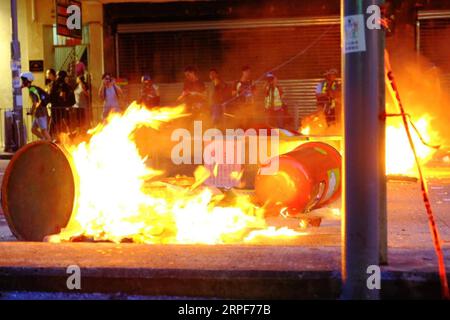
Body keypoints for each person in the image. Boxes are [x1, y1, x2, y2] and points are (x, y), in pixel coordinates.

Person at [20, 72, 51, 141]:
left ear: (27, 80)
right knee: (33, 129)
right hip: (38, 113)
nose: (22, 82)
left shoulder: (32, 90)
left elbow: (35, 103)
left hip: (40, 113)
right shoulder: (33, 88)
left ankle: (50, 145)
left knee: (44, 131)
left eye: (23, 80)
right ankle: (43, 140)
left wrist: (31, 111)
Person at [49, 70, 76, 138]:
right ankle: (68, 133)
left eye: (58, 75)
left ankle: (52, 137)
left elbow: (61, 95)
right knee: (59, 121)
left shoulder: (57, 84)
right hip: (61, 106)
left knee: (55, 122)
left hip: (57, 106)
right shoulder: (63, 84)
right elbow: (62, 95)